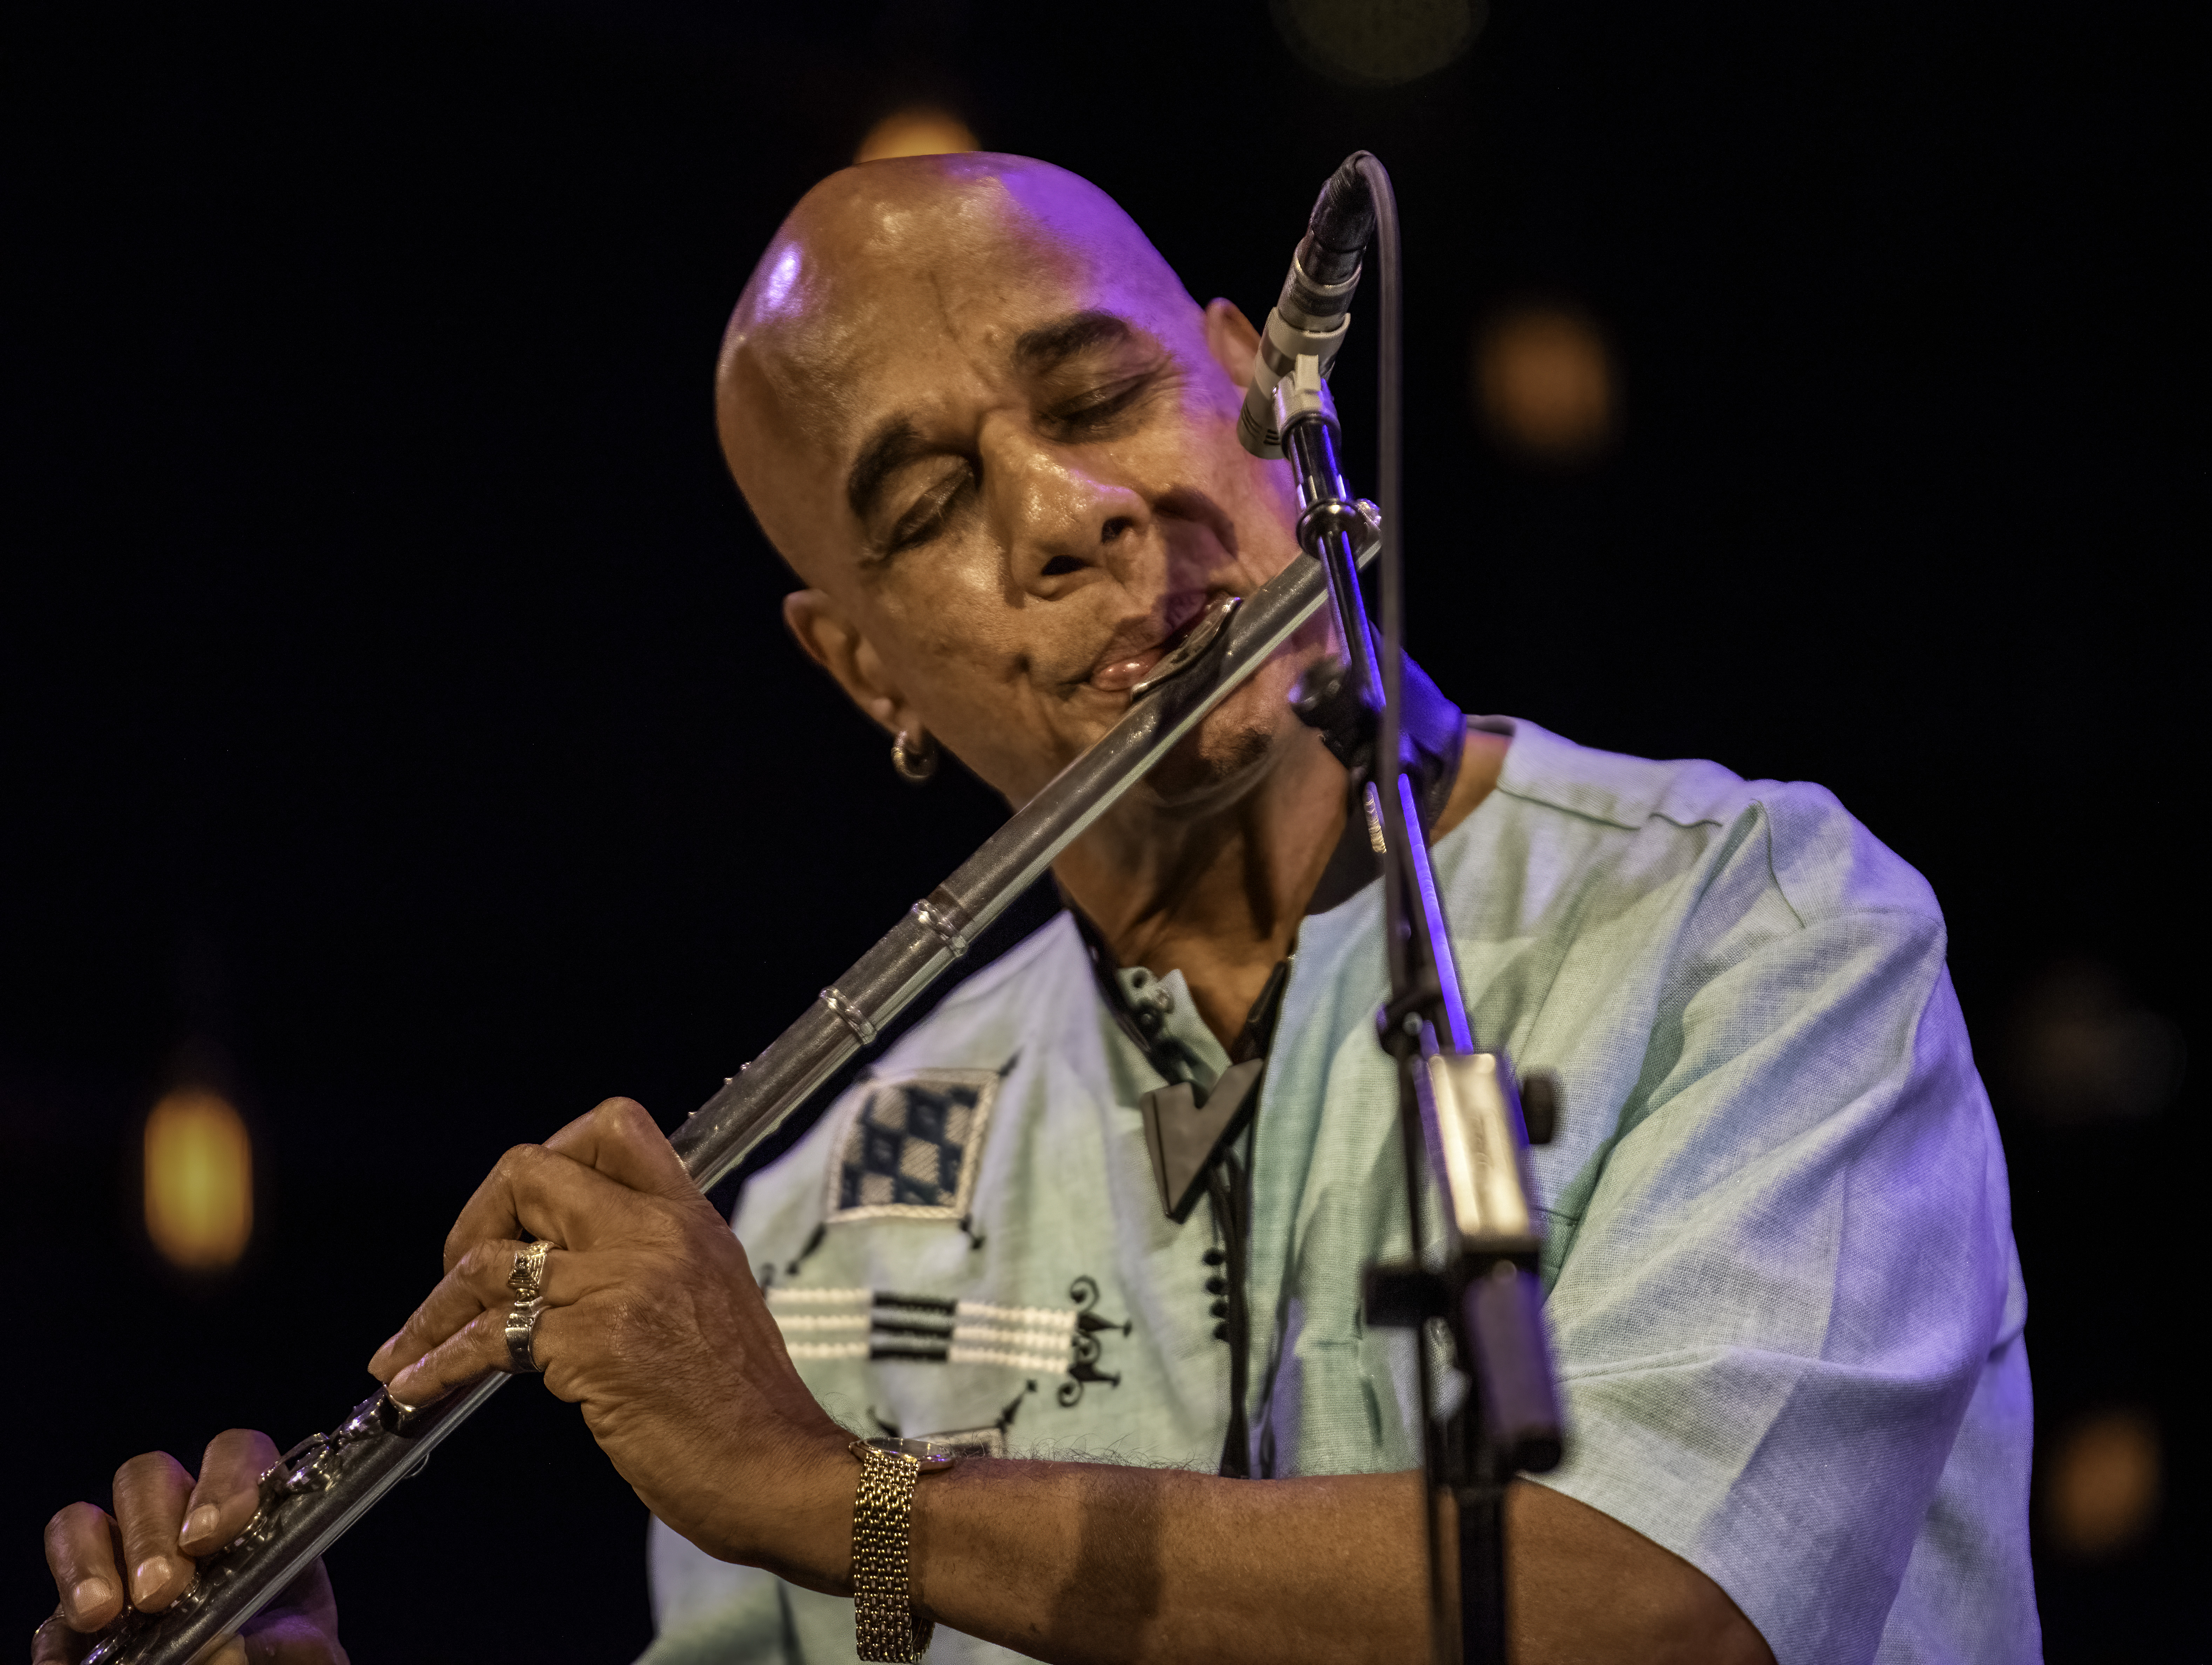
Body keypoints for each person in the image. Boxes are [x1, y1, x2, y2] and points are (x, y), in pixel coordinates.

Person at [34, 154, 2038, 1665]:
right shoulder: (816, 1215)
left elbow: (1663, 1617)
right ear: (864, 672)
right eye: (926, 509)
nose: (1071, 515)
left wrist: (837, 1495)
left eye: (1103, 399)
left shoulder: (1750, 921)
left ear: (1264, 396)